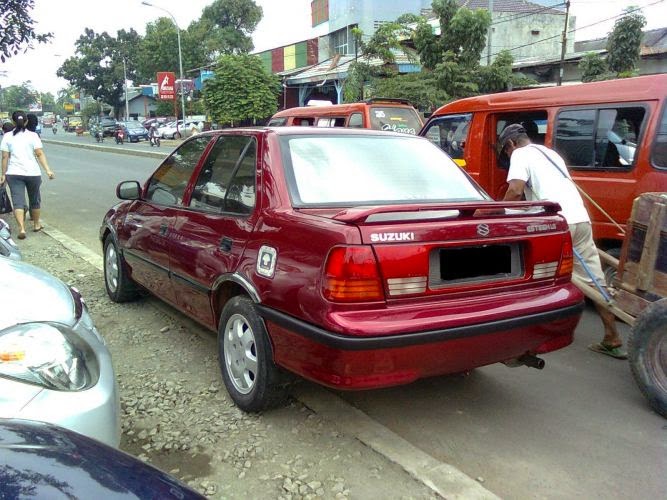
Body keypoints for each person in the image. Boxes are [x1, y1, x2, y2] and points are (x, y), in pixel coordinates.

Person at [498, 123, 627, 359]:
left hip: (560, 224)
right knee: (596, 281)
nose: (507, 156)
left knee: (541, 276)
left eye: (505, 151)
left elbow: (515, 189)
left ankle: (532, 335)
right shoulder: (550, 153)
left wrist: (500, 210)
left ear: (510, 144)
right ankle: (612, 336)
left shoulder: (519, 154)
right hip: (581, 219)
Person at [0, 110, 55, 240]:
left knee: (18, 201)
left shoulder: (7, 136)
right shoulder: (33, 136)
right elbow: (39, 154)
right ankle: (36, 224)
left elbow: (4, 157)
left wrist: (3, 174)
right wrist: (48, 170)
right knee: (34, 200)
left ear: (13, 122)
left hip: (13, 173)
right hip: (33, 173)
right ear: (26, 121)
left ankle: (22, 228)